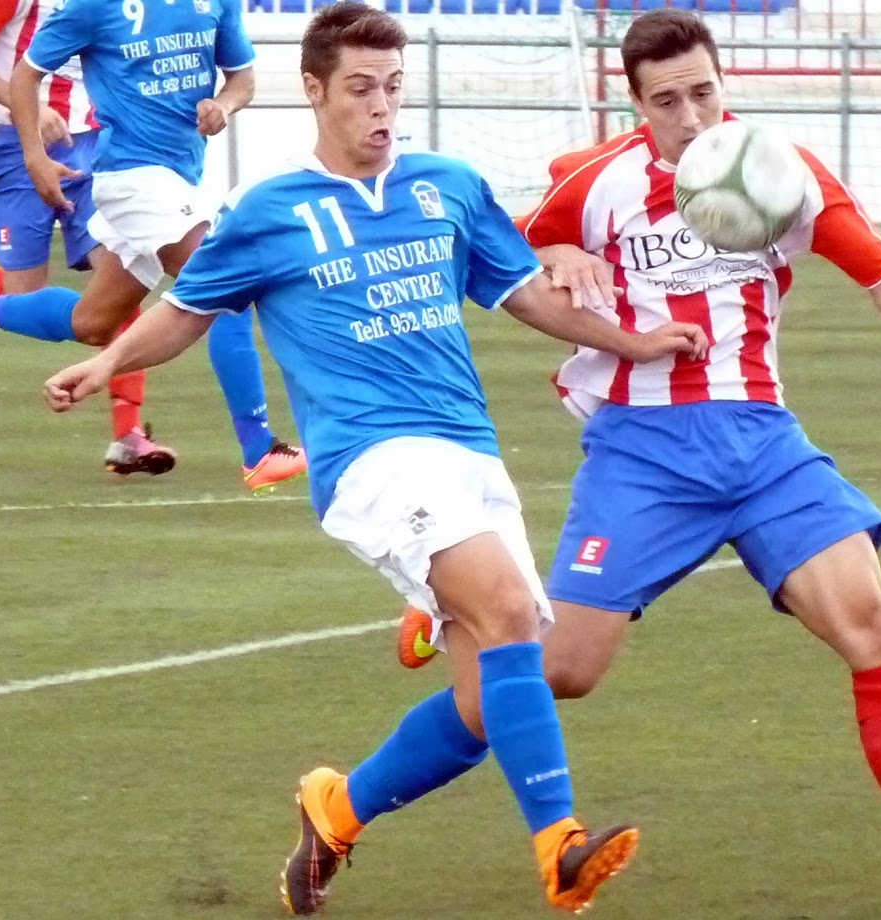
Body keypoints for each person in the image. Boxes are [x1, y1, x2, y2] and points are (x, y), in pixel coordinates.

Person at [40, 3, 708, 914]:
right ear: (313, 91)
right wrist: (107, 361)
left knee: (485, 702)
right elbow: (186, 309)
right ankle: (559, 843)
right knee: (510, 610)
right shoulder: (269, 212)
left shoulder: (448, 186)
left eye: (393, 87)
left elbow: (524, 295)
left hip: (468, 452)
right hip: (369, 460)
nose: (382, 107)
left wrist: (632, 344)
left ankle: (338, 810)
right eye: (360, 88)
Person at [403, 8, 881, 910]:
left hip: (762, 442)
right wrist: (554, 245)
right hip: (644, 451)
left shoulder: (779, 172)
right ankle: (428, 661)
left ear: (722, 82)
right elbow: (501, 246)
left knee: (871, 624)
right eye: (667, 101)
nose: (691, 116)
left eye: (703, 92)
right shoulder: (598, 179)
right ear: (635, 104)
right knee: (562, 671)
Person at [0, 0, 306, 490]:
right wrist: (34, 156)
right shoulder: (96, 6)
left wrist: (222, 105)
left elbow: (242, 78)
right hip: (130, 177)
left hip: (175, 179)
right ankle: (259, 449)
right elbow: (26, 74)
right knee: (226, 284)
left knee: (94, 322)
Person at [0, 0, 173, 474]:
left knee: (120, 274)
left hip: (97, 145)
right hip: (15, 149)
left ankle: (129, 434)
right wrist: (26, 106)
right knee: (24, 298)